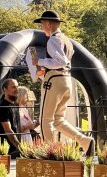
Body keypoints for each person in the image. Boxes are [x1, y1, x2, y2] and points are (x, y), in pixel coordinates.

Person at [31, 10, 94, 156]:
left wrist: (39, 61)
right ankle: (85, 141)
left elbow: (60, 61)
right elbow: (64, 63)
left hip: (54, 81)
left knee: (44, 119)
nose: (41, 27)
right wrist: (44, 68)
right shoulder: (67, 40)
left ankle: (50, 153)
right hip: (66, 80)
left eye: (42, 24)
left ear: (48, 23)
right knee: (58, 119)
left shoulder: (53, 40)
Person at [0, 79, 21, 158]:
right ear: (5, 89)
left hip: (14, 150)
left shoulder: (14, 104)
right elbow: (8, 130)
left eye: (17, 87)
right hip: (6, 152)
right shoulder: (3, 107)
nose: (17, 89)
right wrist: (20, 147)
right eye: (13, 87)